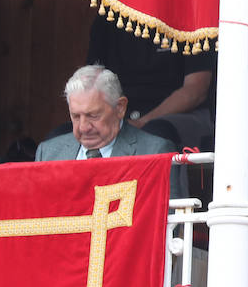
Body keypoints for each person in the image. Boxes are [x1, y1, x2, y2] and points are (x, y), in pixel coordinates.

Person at [35, 65, 187, 195]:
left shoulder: (154, 152)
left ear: (120, 108)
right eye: (75, 116)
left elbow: (171, 222)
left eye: (93, 116)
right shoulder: (48, 153)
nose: (83, 127)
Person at [86, 14, 215, 149]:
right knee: (66, 137)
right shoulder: (108, 17)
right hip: (119, 116)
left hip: (181, 116)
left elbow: (196, 89)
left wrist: (142, 122)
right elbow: (90, 84)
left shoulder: (190, 16)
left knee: (153, 136)